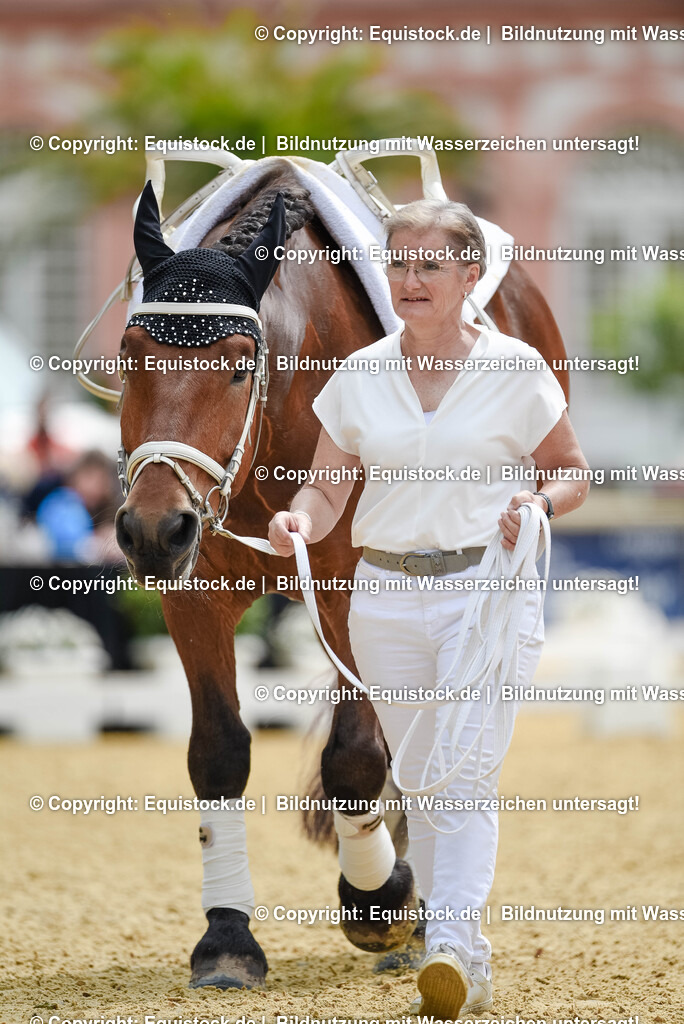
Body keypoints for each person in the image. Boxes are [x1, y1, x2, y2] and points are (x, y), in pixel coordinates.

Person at [268, 199, 589, 1018]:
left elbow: (571, 469)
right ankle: (466, 957)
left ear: (469, 276)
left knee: (463, 775)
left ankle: (448, 942)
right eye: (398, 264)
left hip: (486, 591)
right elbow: (331, 483)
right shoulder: (361, 376)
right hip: (384, 595)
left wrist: (540, 506)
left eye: (428, 265)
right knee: (416, 775)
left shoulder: (516, 369)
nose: (408, 280)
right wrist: (302, 518)